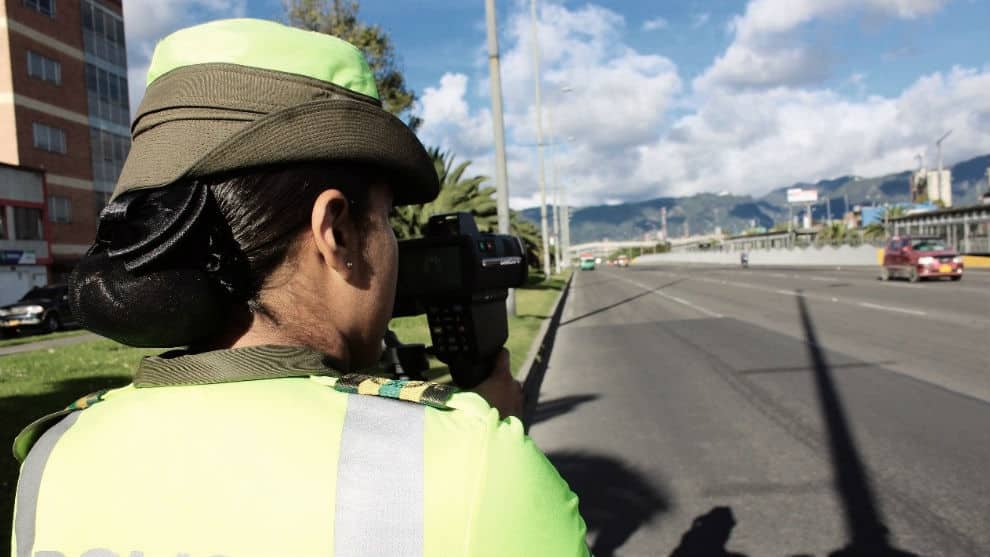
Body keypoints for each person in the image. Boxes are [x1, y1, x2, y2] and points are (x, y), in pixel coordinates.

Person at [10, 19, 588, 557]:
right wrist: (482, 451)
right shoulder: (473, 466)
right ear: (335, 232)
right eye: (386, 219)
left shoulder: (52, 455)